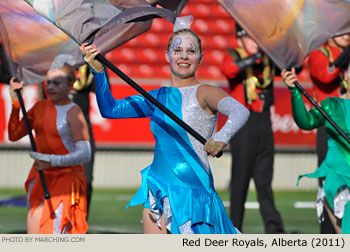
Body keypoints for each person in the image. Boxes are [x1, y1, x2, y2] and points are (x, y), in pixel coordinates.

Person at [80, 17, 250, 234]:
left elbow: (240, 111)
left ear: (201, 57)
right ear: (167, 55)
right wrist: (99, 72)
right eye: (177, 50)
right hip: (158, 191)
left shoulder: (206, 91)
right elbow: (110, 110)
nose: (184, 56)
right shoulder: (157, 97)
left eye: (192, 51)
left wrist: (220, 138)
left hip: (193, 194)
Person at [7, 61, 91, 234]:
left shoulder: (73, 112)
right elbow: (14, 134)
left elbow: (85, 153)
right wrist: (16, 103)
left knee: (52, 235)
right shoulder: (39, 107)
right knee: (34, 236)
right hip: (40, 178)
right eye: (49, 82)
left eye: (57, 83)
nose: (50, 87)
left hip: (66, 182)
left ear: (70, 85)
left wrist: (52, 160)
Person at [220, 24, 285, 233]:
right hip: (244, 122)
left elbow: (290, 67)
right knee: (241, 177)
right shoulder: (233, 55)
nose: (254, 43)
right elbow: (228, 69)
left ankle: (274, 228)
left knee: (264, 177)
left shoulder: (266, 58)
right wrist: (251, 59)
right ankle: (234, 227)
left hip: (264, 119)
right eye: (250, 38)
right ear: (239, 39)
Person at [282, 67, 350, 234]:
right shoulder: (332, 106)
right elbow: (305, 122)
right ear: (346, 77)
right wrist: (294, 92)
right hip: (338, 180)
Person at [308, 34, 350, 233]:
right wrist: (346, 55)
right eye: (341, 31)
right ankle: (328, 233)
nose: (346, 35)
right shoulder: (319, 54)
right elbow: (327, 74)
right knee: (328, 180)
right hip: (329, 126)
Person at [71, 64, 96, 219]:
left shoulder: (86, 65)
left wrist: (97, 66)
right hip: (59, 133)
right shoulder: (56, 62)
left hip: (83, 134)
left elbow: (103, 91)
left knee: (86, 180)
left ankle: (81, 223)